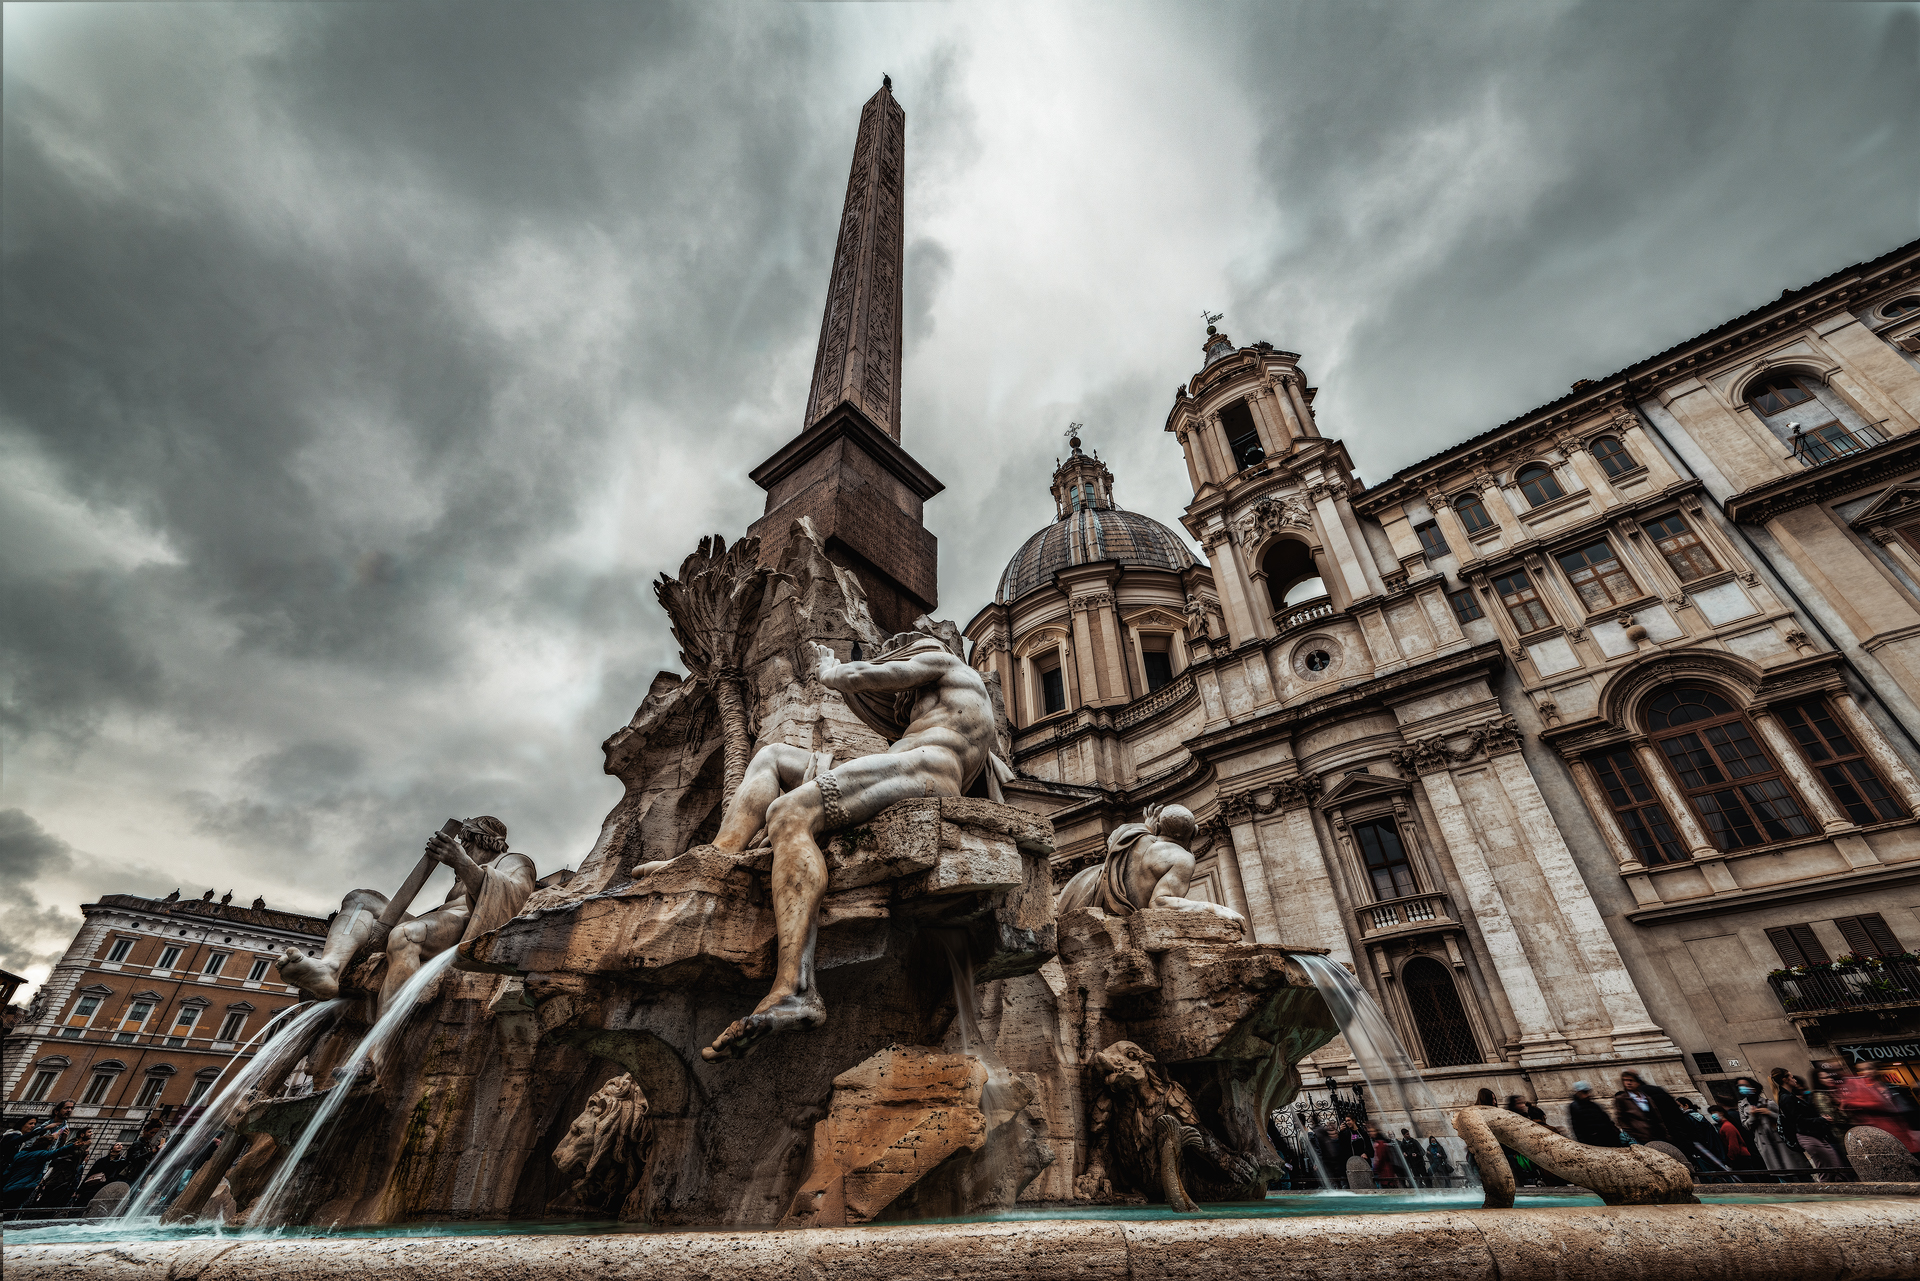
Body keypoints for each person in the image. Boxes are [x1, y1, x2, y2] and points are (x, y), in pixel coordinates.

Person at [696, 634, 1006, 1061]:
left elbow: (865, 675)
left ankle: (795, 988)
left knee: (789, 813)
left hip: (925, 769)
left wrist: (828, 671)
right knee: (771, 756)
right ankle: (717, 859)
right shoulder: (950, 708)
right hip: (908, 767)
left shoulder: (945, 662)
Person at [279, 816, 537, 1012]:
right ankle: (330, 968)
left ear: (483, 840)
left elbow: (511, 901)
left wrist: (461, 861)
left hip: (468, 929)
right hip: (438, 926)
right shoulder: (464, 873)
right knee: (361, 899)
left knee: (406, 934)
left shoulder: (514, 862)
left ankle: (378, 1048)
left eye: (466, 842)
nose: (463, 846)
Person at [1056, 804, 1247, 931]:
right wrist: (1214, 908)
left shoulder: (1129, 834)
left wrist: (1147, 827)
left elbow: (1113, 839)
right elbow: (1159, 904)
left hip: (1081, 900)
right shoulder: (1182, 858)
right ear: (1194, 833)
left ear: (1158, 827)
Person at [1838, 1063, 1920, 1154]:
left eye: (1869, 1068)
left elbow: (1907, 1109)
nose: (1866, 1072)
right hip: (1882, 1131)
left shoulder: (1892, 1087)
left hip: (1904, 1129)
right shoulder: (1861, 1090)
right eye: (1862, 1070)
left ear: (1876, 1070)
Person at [1737, 1074, 1808, 1179]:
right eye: (1739, 1086)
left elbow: (1784, 1118)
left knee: (1796, 1168)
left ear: (1753, 1086)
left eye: (1745, 1085)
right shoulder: (1742, 1105)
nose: (1742, 1088)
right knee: (1780, 1171)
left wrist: (1768, 1113)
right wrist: (1753, 1116)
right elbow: (1746, 1126)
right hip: (1764, 1142)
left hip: (1780, 1140)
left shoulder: (1768, 1102)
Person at [1775, 1073, 1842, 1181]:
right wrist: (1821, 1119)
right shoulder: (1786, 1098)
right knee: (1827, 1170)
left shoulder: (1789, 1096)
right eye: (1792, 1078)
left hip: (1812, 1135)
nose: (1795, 1080)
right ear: (1785, 1079)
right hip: (1808, 1136)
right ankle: (1829, 1193)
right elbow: (1798, 1120)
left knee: (1832, 1167)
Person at [2, 1131, 89, 1211]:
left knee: (5, 1207)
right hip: (25, 1186)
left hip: (10, 1186)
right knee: (13, 1210)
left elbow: (8, 1171)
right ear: (47, 1146)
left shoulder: (21, 1154)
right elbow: (56, 1153)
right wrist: (72, 1146)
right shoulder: (41, 1154)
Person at [1612, 1070, 1687, 1146]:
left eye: (1631, 1080)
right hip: (1644, 1138)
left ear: (1637, 1082)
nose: (1628, 1083)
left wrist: (1665, 1132)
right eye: (1625, 1080)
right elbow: (1621, 1120)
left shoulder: (1646, 1096)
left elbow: (1658, 1117)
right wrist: (1637, 1135)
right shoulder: (1622, 1099)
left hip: (1660, 1134)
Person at [30, 1126, 94, 1208]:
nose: (91, 1134)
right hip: (59, 1177)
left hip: (66, 1178)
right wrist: (85, 1146)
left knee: (55, 1202)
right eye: (89, 1132)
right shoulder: (73, 1143)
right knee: (46, 1201)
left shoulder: (80, 1145)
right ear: (82, 1134)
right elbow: (76, 1154)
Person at [1709, 1105, 1761, 1175]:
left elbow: (1733, 1144)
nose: (1713, 1115)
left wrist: (1731, 1158)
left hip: (1740, 1156)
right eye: (1711, 1113)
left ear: (1721, 1113)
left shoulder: (1726, 1126)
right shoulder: (1725, 1125)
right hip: (1741, 1155)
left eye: (1714, 1112)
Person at [1568, 1081, 1621, 1148]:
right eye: (1585, 1092)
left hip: (1607, 1138)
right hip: (1595, 1142)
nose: (1588, 1095)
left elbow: (1606, 1120)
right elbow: (1577, 1127)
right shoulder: (1575, 1107)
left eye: (1587, 1092)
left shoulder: (1593, 1105)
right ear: (1578, 1093)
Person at [74, 1142, 128, 1206]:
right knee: (82, 1204)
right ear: (111, 1149)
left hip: (107, 1189)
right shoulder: (101, 1161)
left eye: (121, 1145)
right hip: (93, 1186)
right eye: (117, 1145)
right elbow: (90, 1174)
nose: (120, 1146)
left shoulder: (122, 1161)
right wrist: (80, 1190)